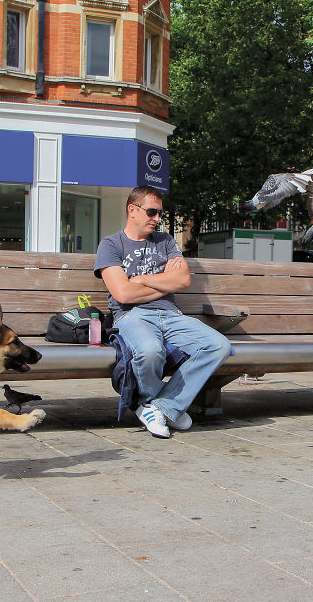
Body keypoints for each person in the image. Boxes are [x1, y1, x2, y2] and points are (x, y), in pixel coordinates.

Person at [94, 186, 232, 438]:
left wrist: (141, 279)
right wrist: (163, 280)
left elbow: (182, 281)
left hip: (171, 315)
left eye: (159, 213)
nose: (156, 218)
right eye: (151, 212)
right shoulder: (110, 245)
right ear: (132, 210)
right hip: (131, 315)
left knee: (218, 345)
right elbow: (123, 294)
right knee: (149, 350)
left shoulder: (166, 241)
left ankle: (159, 407)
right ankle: (163, 406)